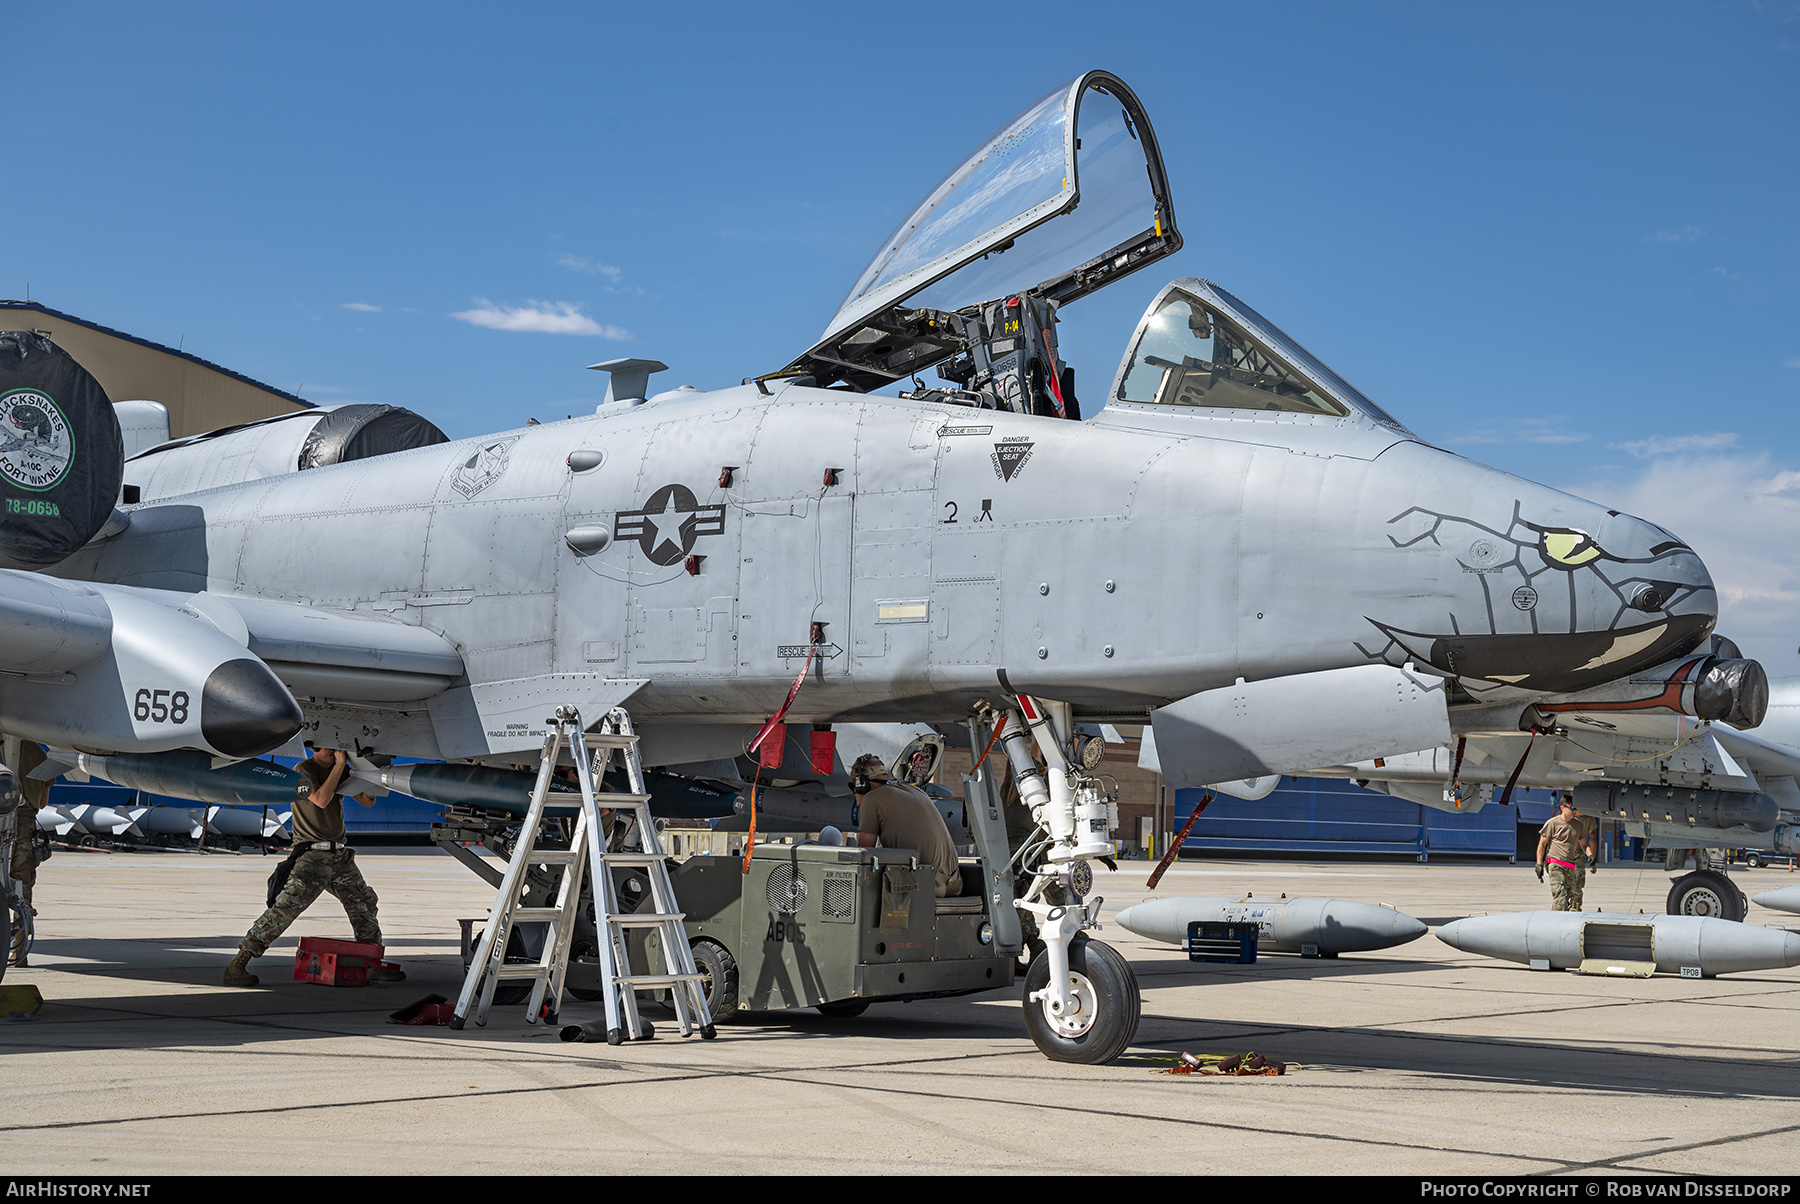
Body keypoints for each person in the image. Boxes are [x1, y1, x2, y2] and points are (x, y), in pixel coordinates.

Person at [224, 744, 402, 987]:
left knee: (363, 906)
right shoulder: (303, 770)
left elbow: (368, 800)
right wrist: (340, 766)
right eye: (332, 748)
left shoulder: (342, 770)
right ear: (317, 747)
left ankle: (370, 963)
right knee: (285, 909)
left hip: (339, 856)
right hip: (312, 857)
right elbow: (320, 799)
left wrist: (366, 768)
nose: (336, 752)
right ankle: (239, 963)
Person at [849, 753, 962, 898]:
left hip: (929, 884)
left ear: (861, 783)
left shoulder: (872, 798)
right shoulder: (914, 790)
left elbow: (864, 855)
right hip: (954, 883)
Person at [1536, 794, 1596, 912]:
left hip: (1570, 865)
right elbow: (1542, 844)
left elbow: (1584, 844)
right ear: (1563, 808)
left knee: (1574, 897)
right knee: (1560, 897)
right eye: (1572, 808)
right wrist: (1538, 864)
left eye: (1576, 809)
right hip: (1555, 864)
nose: (1574, 811)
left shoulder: (1579, 825)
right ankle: (1556, 924)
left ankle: (1568, 922)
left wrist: (1590, 855)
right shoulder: (1552, 823)